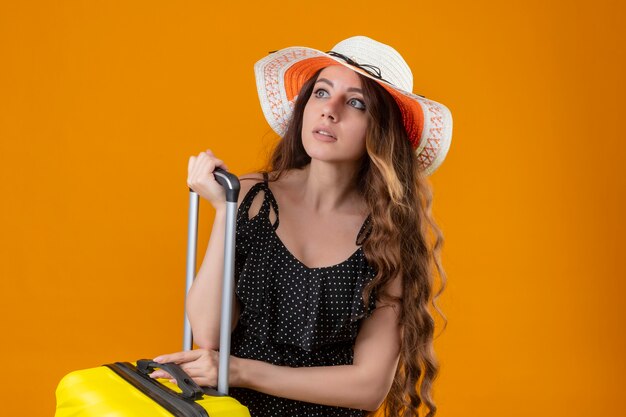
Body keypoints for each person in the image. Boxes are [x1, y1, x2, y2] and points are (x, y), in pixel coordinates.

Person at [150, 36, 453, 417]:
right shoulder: (251, 197)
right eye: (321, 93)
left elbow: (368, 387)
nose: (330, 111)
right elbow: (209, 335)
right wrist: (225, 212)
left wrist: (241, 370)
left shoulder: (387, 236)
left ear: (381, 131)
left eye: (355, 102)